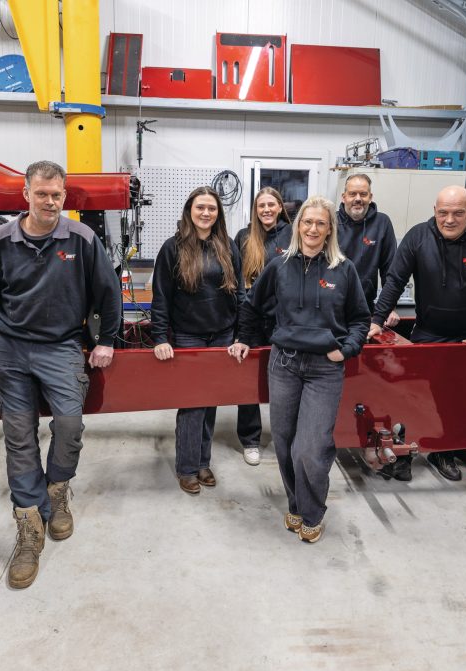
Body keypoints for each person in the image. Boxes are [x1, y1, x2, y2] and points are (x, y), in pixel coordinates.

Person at [0, 161, 121, 590]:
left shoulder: (81, 238)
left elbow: (108, 291)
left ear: (64, 195)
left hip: (60, 346)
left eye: (56, 194)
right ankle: (28, 529)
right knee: (19, 435)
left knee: (69, 424)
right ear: (25, 194)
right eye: (41, 194)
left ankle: (56, 491)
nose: (50, 201)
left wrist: (107, 339)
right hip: (12, 348)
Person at [229, 196, 370, 543]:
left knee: (310, 447)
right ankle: (296, 504)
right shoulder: (279, 266)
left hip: (325, 368)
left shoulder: (344, 269)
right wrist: (245, 338)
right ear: (297, 226)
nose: (312, 229)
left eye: (320, 223)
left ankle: (312, 511)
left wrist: (346, 349)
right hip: (285, 364)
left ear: (329, 229)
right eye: (307, 222)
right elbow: (251, 305)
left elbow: (360, 319)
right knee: (284, 443)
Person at [367, 185, 466, 482]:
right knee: (415, 396)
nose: (450, 219)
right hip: (430, 333)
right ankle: (406, 453)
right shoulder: (418, 237)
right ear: (435, 211)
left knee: (460, 398)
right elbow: (395, 280)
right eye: (444, 213)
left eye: (458, 213)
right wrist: (376, 319)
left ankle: (444, 451)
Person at [151, 187, 244, 495]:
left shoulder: (227, 246)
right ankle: (187, 467)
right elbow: (161, 296)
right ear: (190, 210)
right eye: (200, 207)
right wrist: (159, 337)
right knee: (192, 404)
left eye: (212, 209)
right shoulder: (172, 248)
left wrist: (241, 334)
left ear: (218, 214)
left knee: (211, 401)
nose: (206, 213)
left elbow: (239, 294)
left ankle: (203, 462)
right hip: (188, 335)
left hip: (222, 335)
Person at [233, 187, 292, 466]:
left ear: (280, 207)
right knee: (248, 382)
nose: (266, 210)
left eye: (271, 204)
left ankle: (288, 436)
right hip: (252, 319)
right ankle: (250, 439)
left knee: (288, 379)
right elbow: (237, 280)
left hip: (284, 321)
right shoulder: (245, 237)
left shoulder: (293, 235)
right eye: (261, 206)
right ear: (255, 210)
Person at [337, 173, 397, 311]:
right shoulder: (331, 223)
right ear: (344, 197)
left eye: (363, 194)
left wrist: (390, 308)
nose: (358, 199)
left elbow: (390, 270)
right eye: (352, 194)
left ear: (370, 197)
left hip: (365, 306)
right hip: (332, 305)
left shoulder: (382, 223)